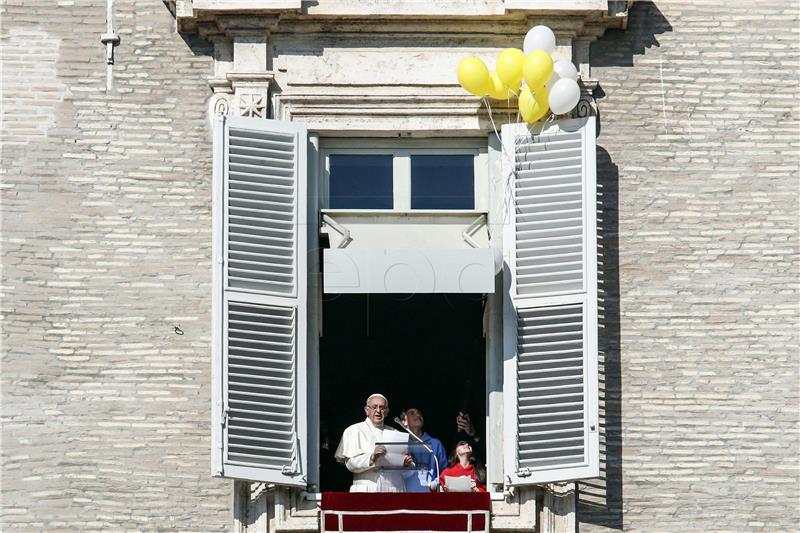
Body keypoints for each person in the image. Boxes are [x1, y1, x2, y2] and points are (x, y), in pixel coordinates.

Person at [334, 393, 414, 492]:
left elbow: (407, 474)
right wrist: (372, 457)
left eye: (382, 407)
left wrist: (406, 465)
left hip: (394, 489)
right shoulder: (354, 430)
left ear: (387, 411)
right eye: (374, 407)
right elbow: (350, 464)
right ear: (367, 410)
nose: (378, 411)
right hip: (368, 489)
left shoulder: (396, 433)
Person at [399, 407, 447, 492]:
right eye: (412, 413)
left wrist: (436, 482)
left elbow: (445, 470)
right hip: (405, 496)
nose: (418, 415)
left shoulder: (435, 444)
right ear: (404, 422)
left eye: (419, 413)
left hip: (430, 495)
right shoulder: (400, 444)